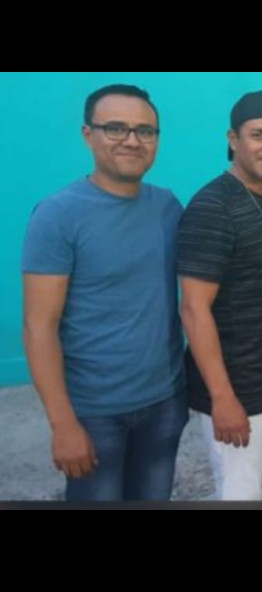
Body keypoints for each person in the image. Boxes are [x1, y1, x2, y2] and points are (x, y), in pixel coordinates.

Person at [22, 84, 186, 501]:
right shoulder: (58, 215)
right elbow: (39, 327)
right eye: (115, 128)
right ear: (87, 134)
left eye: (145, 131)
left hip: (165, 402)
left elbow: (214, 261)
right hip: (94, 413)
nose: (132, 140)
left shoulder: (168, 207)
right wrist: (62, 423)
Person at [178, 91, 262, 501]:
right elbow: (194, 308)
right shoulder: (211, 207)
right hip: (236, 390)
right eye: (258, 135)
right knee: (240, 494)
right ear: (233, 139)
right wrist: (222, 398)